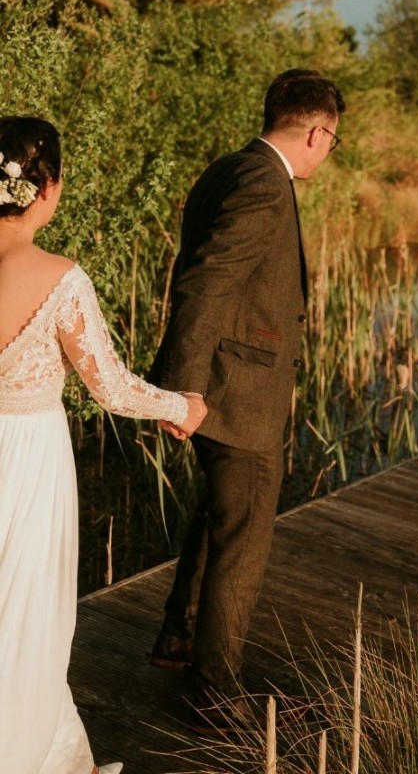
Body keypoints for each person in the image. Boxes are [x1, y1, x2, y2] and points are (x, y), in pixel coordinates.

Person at [0, 116, 207, 774]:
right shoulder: (60, 278)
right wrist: (183, 406)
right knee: (26, 614)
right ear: (47, 188)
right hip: (28, 462)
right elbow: (111, 387)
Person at [148, 68, 345, 729]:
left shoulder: (230, 168)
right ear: (316, 133)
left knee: (219, 514)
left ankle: (178, 637)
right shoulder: (264, 183)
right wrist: (184, 387)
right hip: (235, 391)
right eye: (333, 141)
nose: (328, 151)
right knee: (244, 536)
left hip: (223, 381)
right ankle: (217, 693)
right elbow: (207, 282)